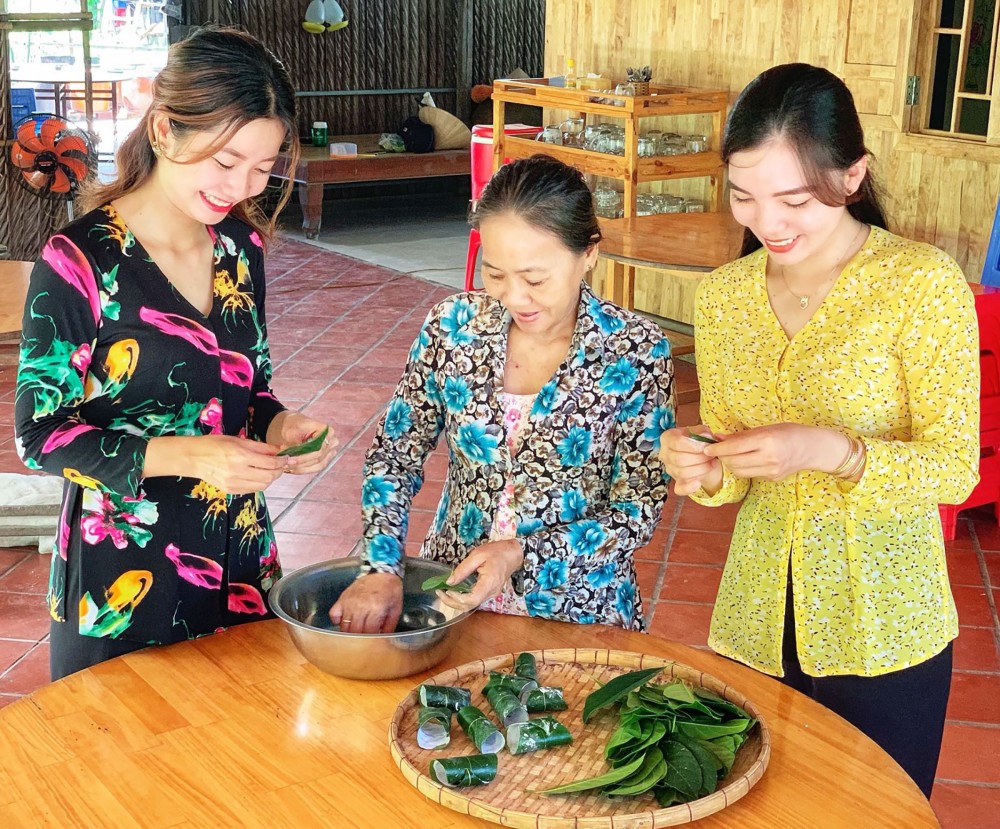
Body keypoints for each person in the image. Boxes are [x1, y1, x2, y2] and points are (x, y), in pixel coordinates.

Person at [658, 63, 979, 798]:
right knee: (751, 806)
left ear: (853, 176)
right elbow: (737, 465)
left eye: (794, 199)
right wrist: (707, 465)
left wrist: (835, 451)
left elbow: (956, 467)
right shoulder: (724, 299)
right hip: (755, 618)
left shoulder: (919, 284)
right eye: (744, 197)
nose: (768, 224)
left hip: (885, 625)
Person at [14, 27, 338, 680]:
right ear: (164, 132)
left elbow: (252, 387)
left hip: (239, 555)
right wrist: (191, 455)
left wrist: (280, 425)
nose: (242, 185)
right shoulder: (81, 260)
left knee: (241, 754)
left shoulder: (239, 249)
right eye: (225, 162)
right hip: (121, 574)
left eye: (262, 166)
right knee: (126, 766)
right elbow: (39, 434)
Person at [330, 155, 675, 634]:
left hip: (577, 609)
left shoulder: (635, 350)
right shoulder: (453, 328)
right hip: (451, 597)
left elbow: (638, 505)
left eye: (535, 279)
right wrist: (381, 566)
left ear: (589, 252)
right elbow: (396, 455)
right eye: (495, 274)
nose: (513, 297)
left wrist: (522, 553)